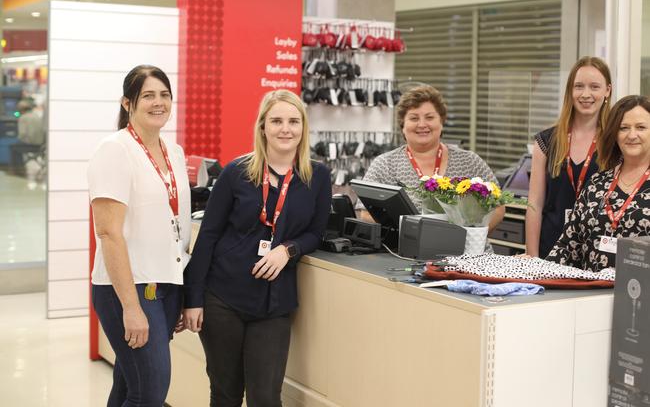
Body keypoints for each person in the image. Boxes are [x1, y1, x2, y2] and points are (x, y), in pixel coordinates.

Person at [182, 89, 332, 407]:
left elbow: (316, 233)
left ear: (303, 127)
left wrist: (287, 250)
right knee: (226, 393)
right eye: (276, 120)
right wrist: (193, 300)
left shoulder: (317, 176)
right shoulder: (237, 172)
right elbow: (207, 236)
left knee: (265, 397)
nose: (285, 129)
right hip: (223, 297)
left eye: (293, 121)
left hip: (274, 304)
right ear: (262, 126)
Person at [88, 65, 191, 406]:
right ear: (128, 103)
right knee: (150, 392)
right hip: (129, 289)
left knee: (130, 384)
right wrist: (131, 308)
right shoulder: (115, 149)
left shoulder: (173, 152)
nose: (158, 102)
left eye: (164, 95)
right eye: (148, 95)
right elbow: (108, 231)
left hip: (165, 284)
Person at [362, 84, 504, 230]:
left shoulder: (470, 162)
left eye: (429, 117)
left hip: (466, 251)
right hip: (405, 251)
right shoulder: (385, 165)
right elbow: (365, 213)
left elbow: (498, 207)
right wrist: (406, 233)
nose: (422, 124)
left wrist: (471, 238)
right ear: (402, 126)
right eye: (414, 118)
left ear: (441, 122)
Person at [546, 95, 650, 271]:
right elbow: (568, 246)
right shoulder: (597, 183)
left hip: (639, 295)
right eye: (623, 128)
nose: (632, 135)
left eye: (641, 127)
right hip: (590, 294)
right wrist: (535, 270)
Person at [526, 57, 612, 258]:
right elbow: (535, 205)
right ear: (570, 91)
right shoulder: (546, 141)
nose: (586, 94)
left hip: (598, 253)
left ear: (607, 90)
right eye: (579, 86)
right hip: (551, 250)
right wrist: (532, 258)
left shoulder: (614, 142)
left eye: (594, 87)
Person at [10, 98, 45, 175]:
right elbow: (16, 114)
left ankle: (18, 170)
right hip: (41, 144)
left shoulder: (23, 117)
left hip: (32, 145)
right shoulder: (35, 115)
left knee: (13, 147)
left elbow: (22, 134)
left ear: (21, 109)